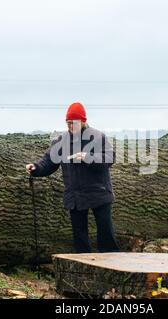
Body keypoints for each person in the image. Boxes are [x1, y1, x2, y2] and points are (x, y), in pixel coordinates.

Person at [25, 102, 120, 253]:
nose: (71, 126)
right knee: (80, 238)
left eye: (74, 123)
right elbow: (49, 161)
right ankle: (84, 269)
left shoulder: (97, 137)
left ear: (83, 121)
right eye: (68, 123)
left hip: (99, 193)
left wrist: (87, 157)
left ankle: (112, 267)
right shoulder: (61, 141)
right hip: (75, 196)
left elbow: (109, 158)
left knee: (106, 235)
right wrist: (36, 168)